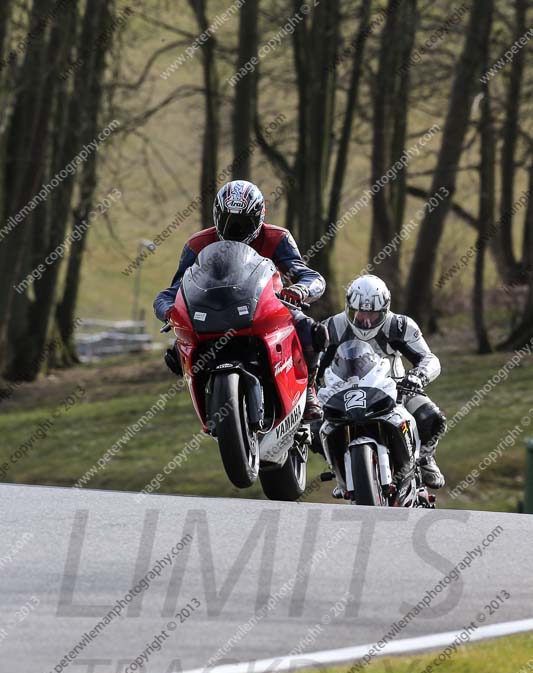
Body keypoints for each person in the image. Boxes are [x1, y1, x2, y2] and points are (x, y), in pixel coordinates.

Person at [153, 180, 327, 420]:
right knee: (175, 352)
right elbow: (172, 291)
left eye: (243, 223)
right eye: (228, 221)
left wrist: (299, 291)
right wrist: (170, 311)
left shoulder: (277, 237)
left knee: (309, 329)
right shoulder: (198, 243)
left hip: (266, 308)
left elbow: (309, 276)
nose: (235, 229)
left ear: (259, 218)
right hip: (212, 312)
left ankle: (309, 390)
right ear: (217, 216)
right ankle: (209, 398)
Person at [318, 275, 446, 489]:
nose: (365, 320)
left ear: (385, 310)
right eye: (360, 313)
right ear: (349, 308)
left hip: (395, 388)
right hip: (344, 391)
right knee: (314, 426)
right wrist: (312, 388)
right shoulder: (332, 327)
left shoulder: (400, 325)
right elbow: (314, 364)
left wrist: (417, 377)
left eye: (373, 314)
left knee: (431, 417)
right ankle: (339, 469)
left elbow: (429, 358)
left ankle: (425, 459)